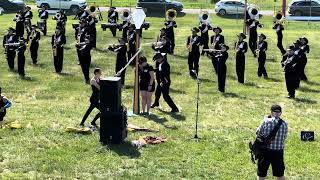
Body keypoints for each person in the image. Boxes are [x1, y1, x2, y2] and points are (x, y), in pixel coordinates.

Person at [256, 104, 288, 180]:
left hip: (265, 151)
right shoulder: (285, 124)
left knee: (261, 174)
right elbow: (284, 137)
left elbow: (258, 133)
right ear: (280, 113)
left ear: (271, 112)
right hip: (278, 152)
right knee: (280, 174)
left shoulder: (266, 121)